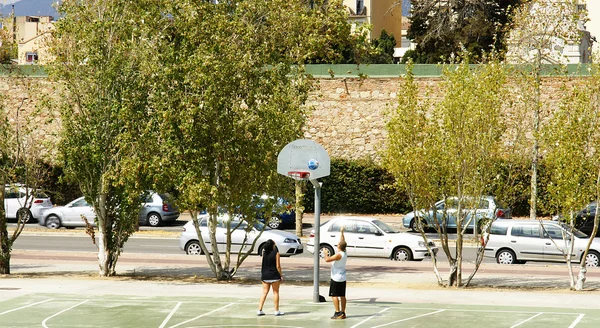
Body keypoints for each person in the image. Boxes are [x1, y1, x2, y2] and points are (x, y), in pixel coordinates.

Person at [323, 227, 347, 319]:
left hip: (336, 278)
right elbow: (342, 240)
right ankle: (343, 312)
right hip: (343, 277)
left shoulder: (338, 255)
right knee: (342, 296)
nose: (337, 245)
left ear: (339, 247)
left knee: (334, 295)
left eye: (338, 245)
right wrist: (341, 232)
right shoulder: (345, 252)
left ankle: (337, 312)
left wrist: (325, 253)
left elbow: (327, 260)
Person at [257, 239, 284, 316]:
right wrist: (281, 275)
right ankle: (276, 311)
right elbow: (278, 266)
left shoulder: (264, 253)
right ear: (272, 245)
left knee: (264, 292)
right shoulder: (276, 253)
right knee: (275, 292)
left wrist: (262, 274)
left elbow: (263, 264)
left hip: (265, 275)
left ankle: (259, 310)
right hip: (274, 275)